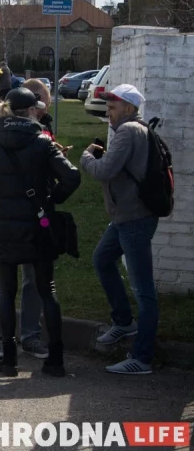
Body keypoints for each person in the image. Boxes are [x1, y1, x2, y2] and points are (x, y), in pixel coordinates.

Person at [0, 88, 81, 377]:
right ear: (31, 111)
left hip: (1, 225)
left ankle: (8, 360)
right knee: (48, 290)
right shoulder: (42, 141)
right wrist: (51, 199)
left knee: (6, 291)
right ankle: (55, 359)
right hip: (38, 224)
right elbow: (71, 176)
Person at [80, 84, 159, 375]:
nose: (108, 113)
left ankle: (142, 358)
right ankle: (124, 322)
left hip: (134, 218)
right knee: (102, 259)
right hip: (127, 216)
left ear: (128, 108)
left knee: (143, 290)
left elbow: (104, 171)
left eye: (113, 108)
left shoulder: (128, 131)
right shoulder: (139, 129)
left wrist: (87, 156)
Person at [0, 79, 59, 362]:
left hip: (10, 217)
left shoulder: (41, 132)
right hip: (29, 216)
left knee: (17, 282)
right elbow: (68, 176)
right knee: (19, 282)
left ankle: (15, 338)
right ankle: (13, 337)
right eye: (37, 103)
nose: (40, 108)